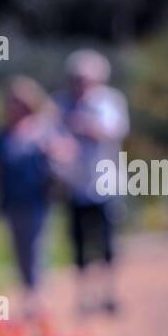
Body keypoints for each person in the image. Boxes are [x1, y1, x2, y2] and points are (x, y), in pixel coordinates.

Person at [0, 77, 74, 318]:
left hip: (37, 200)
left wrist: (55, 156)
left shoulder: (43, 130)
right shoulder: (3, 134)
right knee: (19, 250)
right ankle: (30, 296)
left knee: (35, 247)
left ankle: (37, 300)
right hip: (12, 200)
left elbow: (66, 151)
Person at [56, 49, 129, 315]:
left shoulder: (109, 102)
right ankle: (83, 297)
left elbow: (111, 132)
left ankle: (110, 294)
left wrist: (82, 125)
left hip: (106, 185)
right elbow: (55, 137)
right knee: (79, 245)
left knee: (108, 244)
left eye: (84, 78)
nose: (79, 83)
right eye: (75, 78)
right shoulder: (62, 103)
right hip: (76, 186)